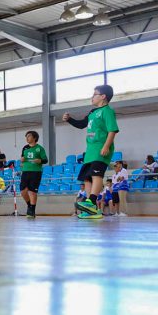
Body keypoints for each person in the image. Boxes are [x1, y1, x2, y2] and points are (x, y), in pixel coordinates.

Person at [63, 84, 118, 219]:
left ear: (103, 96)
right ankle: (91, 209)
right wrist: (69, 119)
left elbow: (112, 130)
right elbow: (82, 124)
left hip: (101, 149)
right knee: (86, 178)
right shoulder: (92, 112)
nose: (92, 97)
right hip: (90, 151)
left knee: (96, 175)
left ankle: (92, 201)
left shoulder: (107, 111)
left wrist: (106, 146)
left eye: (95, 94)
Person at [19, 130, 47, 218]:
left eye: (29, 136)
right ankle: (29, 205)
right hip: (25, 171)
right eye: (26, 136)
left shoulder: (40, 148)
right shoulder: (25, 148)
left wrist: (40, 161)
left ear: (34, 138)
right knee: (23, 191)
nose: (27, 138)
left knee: (32, 191)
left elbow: (45, 160)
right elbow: (22, 158)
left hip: (36, 171)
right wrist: (22, 160)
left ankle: (32, 211)